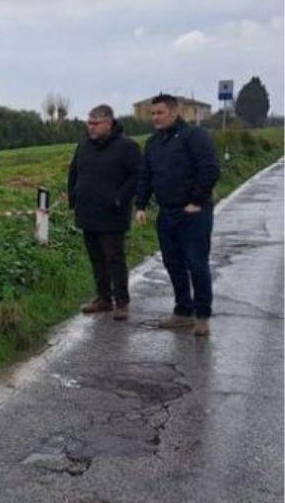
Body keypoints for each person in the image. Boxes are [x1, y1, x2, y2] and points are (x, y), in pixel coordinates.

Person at [135, 93, 220, 336]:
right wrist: (140, 205)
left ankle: (202, 316)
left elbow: (209, 169)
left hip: (193, 212)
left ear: (174, 112)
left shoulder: (194, 136)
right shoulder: (153, 143)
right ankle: (183, 311)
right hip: (167, 212)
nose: (155, 117)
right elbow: (146, 175)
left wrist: (196, 201)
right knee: (172, 263)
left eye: (160, 113)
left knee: (196, 263)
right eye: (152, 113)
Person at [67, 104, 140, 321]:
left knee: (114, 258)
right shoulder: (83, 145)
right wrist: (73, 198)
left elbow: (137, 176)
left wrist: (119, 198)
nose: (91, 127)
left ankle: (121, 302)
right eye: (89, 123)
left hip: (112, 214)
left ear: (108, 123)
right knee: (96, 258)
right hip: (87, 211)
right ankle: (103, 298)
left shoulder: (127, 147)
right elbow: (74, 172)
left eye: (96, 123)